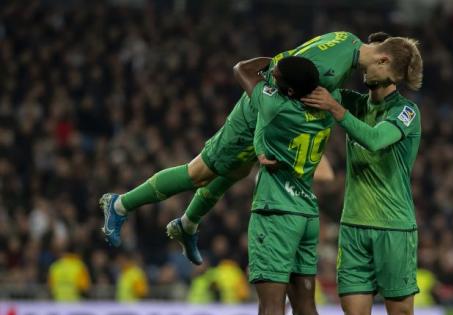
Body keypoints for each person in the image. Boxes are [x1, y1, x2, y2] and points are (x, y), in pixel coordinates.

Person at [100, 32, 412, 265]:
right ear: (383, 60)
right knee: (199, 172)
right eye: (388, 77)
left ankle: (187, 224)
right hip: (258, 112)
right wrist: (262, 139)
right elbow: (275, 76)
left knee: (234, 171)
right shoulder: (330, 66)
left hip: (274, 111)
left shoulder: (347, 41)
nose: (381, 83)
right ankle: (119, 205)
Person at [302, 31, 423, 315]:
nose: (361, 61)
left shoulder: (405, 112)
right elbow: (319, 87)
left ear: (386, 64)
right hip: (353, 229)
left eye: (370, 57)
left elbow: (373, 140)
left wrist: (335, 108)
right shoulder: (355, 102)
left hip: (394, 228)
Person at [230, 56, 340, 315]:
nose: (270, 75)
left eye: (276, 75)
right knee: (307, 311)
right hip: (308, 214)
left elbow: (243, 69)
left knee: (270, 312)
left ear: (289, 89)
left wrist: (275, 56)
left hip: (275, 212)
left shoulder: (275, 106)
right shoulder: (325, 111)